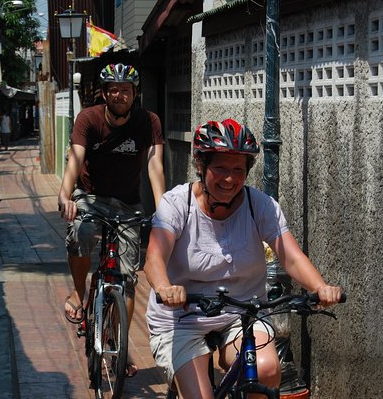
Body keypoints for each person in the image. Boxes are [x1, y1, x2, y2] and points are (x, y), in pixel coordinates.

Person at [143, 119, 343, 398]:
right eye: (221, 168)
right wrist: (165, 288)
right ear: (201, 166)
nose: (229, 178)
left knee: (267, 370)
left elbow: (291, 256)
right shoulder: (177, 204)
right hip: (182, 316)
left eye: (238, 169)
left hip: (241, 313)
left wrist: (319, 287)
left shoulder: (259, 205)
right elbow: (154, 256)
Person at [58, 62, 165, 377]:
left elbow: (155, 165)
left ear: (135, 94)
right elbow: (75, 157)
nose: (121, 95)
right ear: (104, 93)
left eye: (127, 90)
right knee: (81, 231)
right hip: (90, 198)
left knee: (127, 279)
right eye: (114, 89)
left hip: (128, 205)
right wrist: (65, 196)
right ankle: (79, 291)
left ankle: (118, 341)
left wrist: (164, 209)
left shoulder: (149, 121)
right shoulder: (88, 119)